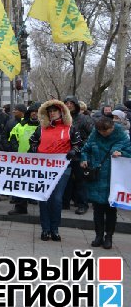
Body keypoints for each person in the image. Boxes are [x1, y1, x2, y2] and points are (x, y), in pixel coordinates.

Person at [29, 100, 82, 241]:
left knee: (57, 199)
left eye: (55, 111)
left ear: (61, 112)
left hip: (62, 168)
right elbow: (33, 141)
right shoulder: (41, 128)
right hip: (43, 167)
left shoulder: (70, 128)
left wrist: (73, 151)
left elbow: (78, 144)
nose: (52, 113)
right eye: (50, 111)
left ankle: (55, 229)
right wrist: (35, 150)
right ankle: (45, 229)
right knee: (44, 198)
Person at [81, 116, 131, 249]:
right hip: (96, 177)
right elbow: (85, 149)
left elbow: (129, 152)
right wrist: (84, 159)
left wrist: (121, 153)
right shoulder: (94, 135)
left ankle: (108, 237)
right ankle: (98, 236)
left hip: (113, 179)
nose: (103, 134)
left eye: (106, 131)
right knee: (97, 209)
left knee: (110, 210)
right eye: (101, 131)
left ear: (112, 128)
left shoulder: (122, 136)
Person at [6, 104, 40, 215]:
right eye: (32, 111)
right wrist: (17, 151)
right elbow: (12, 138)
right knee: (21, 183)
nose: (34, 113)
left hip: (39, 161)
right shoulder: (21, 125)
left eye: (37, 111)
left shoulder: (45, 127)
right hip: (22, 159)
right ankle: (20, 206)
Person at [63, 96, 94, 215]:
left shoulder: (85, 119)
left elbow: (91, 137)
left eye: (71, 103)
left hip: (80, 155)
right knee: (65, 180)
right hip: (64, 155)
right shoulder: (62, 119)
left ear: (76, 105)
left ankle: (82, 204)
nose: (69, 105)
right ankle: (64, 203)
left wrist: (79, 147)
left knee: (81, 181)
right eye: (66, 103)